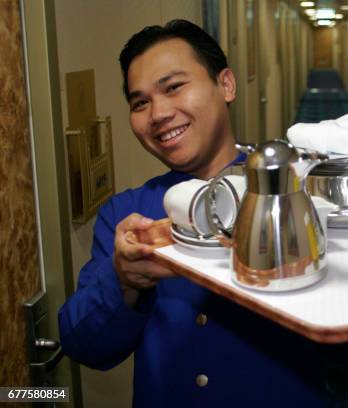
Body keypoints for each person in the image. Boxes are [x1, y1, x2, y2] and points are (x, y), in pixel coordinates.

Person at [58, 20, 328, 407]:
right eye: (140, 102)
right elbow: (83, 345)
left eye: (173, 87)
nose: (158, 113)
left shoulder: (292, 191)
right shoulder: (129, 218)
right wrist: (123, 280)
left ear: (227, 85)